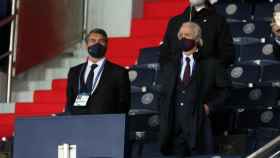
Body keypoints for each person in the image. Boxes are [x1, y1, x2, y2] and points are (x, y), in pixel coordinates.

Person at [159, 22, 229, 157]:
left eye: (187, 35)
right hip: (175, 131)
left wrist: (209, 107)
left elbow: (225, 92)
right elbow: (162, 94)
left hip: (199, 128)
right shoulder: (170, 65)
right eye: (181, 35)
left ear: (197, 39)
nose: (183, 38)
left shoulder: (211, 64)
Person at [65, 28, 130, 115]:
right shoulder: (74, 71)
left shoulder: (119, 72)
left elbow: (124, 105)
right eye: (93, 40)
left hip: (106, 124)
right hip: (79, 123)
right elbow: (70, 101)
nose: (97, 44)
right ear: (86, 45)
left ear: (106, 45)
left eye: (101, 41)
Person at [160, 0, 234, 67]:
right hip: (177, 79)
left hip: (206, 79)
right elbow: (164, 55)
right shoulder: (174, 22)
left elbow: (227, 55)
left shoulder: (219, 21)